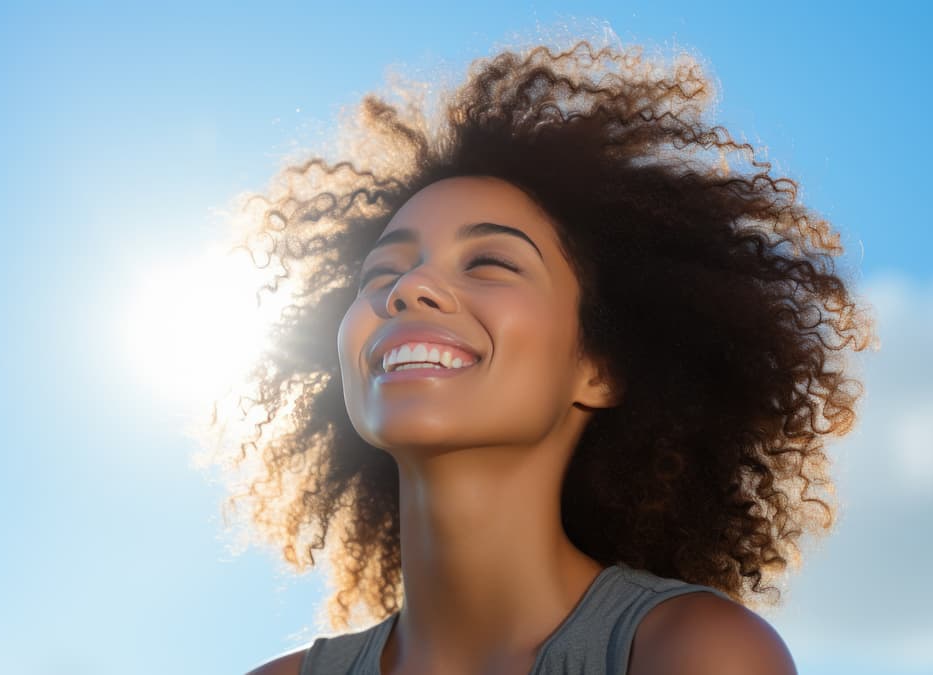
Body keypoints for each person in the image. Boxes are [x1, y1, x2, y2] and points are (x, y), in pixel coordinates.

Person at [200, 37, 875, 675]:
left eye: (490, 261)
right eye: (381, 275)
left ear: (600, 368)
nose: (409, 289)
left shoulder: (691, 651)